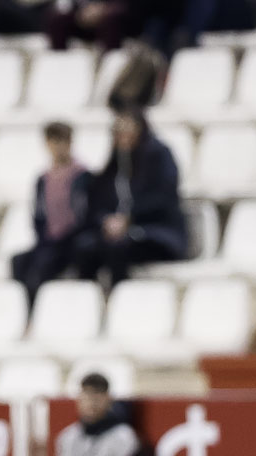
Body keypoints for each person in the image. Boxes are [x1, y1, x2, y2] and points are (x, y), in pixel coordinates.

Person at [73, 107, 187, 288]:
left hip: (156, 231)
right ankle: (90, 304)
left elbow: (164, 199)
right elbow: (98, 202)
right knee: (84, 247)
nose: (124, 137)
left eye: (129, 130)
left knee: (118, 248)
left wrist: (130, 218)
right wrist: (106, 221)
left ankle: (120, 299)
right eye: (119, 132)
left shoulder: (158, 156)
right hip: (118, 235)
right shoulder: (115, 166)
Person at [10, 121, 94, 307]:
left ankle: (36, 312)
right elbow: (39, 214)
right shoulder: (43, 178)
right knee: (19, 261)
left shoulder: (82, 176)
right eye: (53, 141)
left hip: (72, 241)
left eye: (62, 141)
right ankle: (22, 309)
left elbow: (85, 214)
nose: (58, 147)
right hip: (49, 241)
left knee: (43, 266)